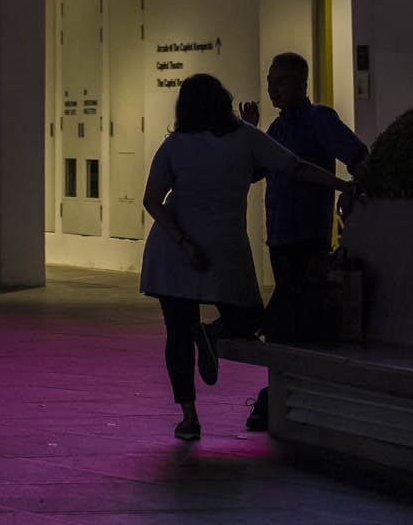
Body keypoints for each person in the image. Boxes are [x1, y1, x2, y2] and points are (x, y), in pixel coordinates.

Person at [140, 70, 353, 443]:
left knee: (177, 332)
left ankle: (189, 418)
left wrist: (183, 242)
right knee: (250, 317)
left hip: (173, 251)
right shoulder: (246, 137)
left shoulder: (174, 145)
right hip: (225, 249)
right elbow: (297, 167)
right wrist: (344, 186)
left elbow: (152, 201)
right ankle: (211, 333)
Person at [238, 50, 368, 431]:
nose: (271, 88)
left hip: (307, 235)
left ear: (300, 83)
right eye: (269, 81)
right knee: (294, 314)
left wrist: (355, 189)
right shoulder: (277, 130)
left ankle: (271, 395)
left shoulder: (318, 120)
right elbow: (253, 173)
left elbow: (357, 155)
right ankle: (279, 393)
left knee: (287, 313)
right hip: (280, 236)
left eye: (279, 81)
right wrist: (251, 132)